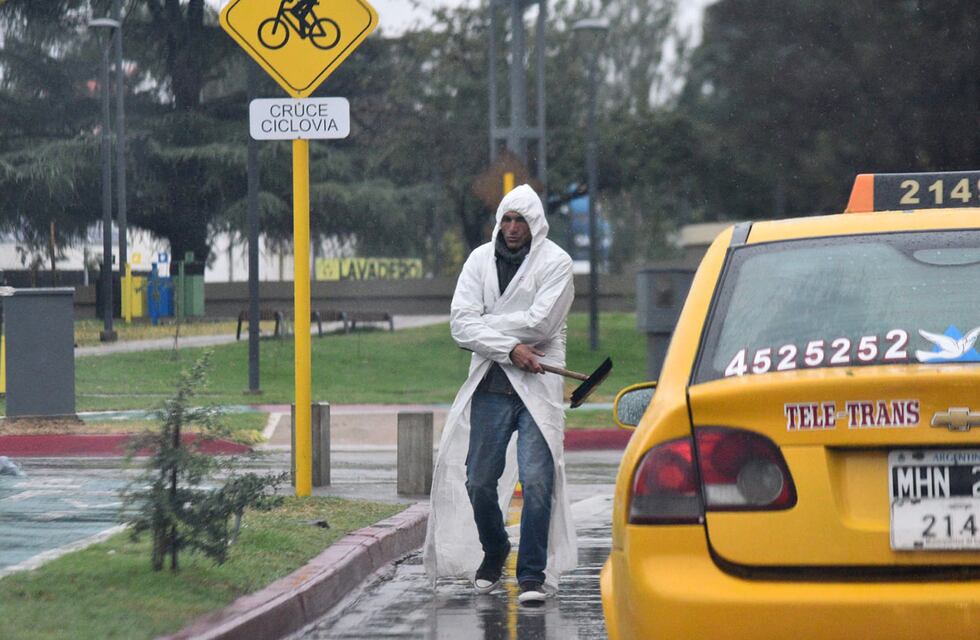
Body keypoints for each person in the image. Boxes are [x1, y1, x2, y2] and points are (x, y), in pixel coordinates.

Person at [423, 184, 577, 606]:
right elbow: (460, 324)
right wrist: (509, 349)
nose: (512, 228)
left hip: (538, 386)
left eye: (520, 220)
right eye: (506, 219)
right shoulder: (478, 260)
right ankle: (495, 549)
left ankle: (531, 574)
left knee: (538, 480)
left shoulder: (557, 263)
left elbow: (542, 325)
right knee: (478, 481)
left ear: (535, 224)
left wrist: (486, 324)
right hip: (491, 384)